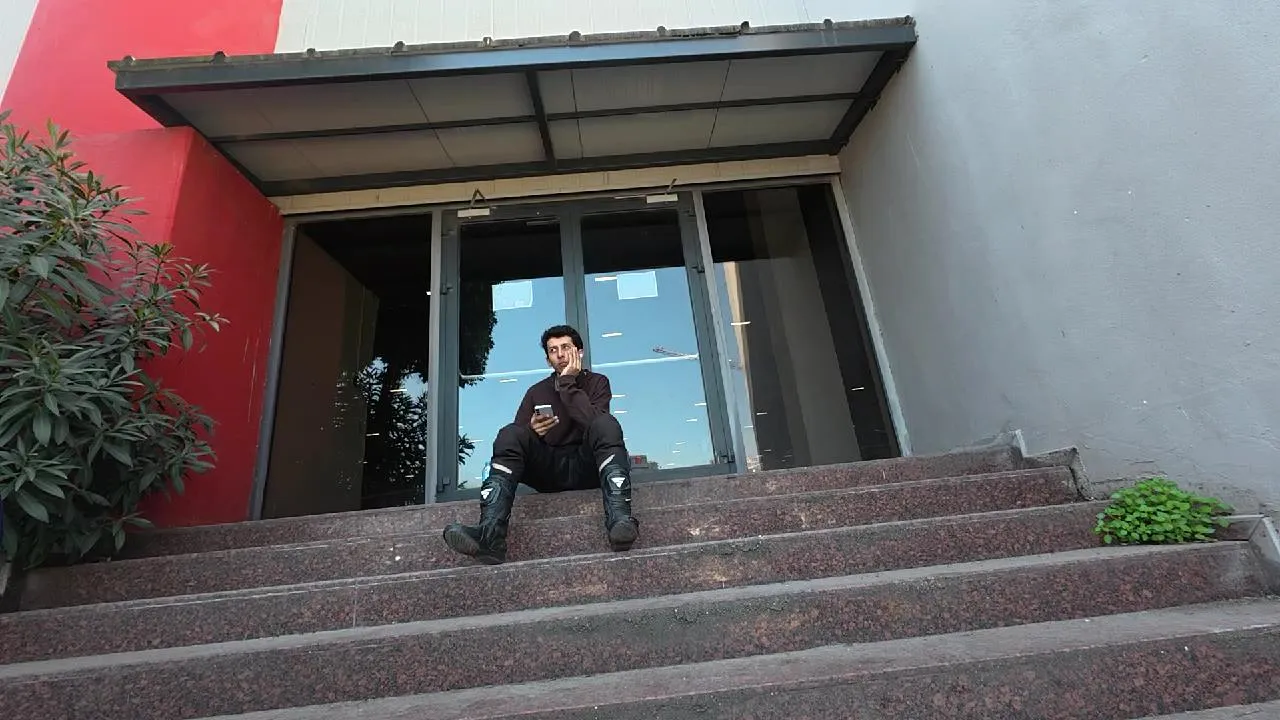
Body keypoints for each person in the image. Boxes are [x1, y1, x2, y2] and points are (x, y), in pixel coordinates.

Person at [442, 324, 640, 564]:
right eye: (553, 350)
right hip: (549, 471)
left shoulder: (597, 382)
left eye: (566, 347)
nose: (560, 354)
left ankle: (620, 522)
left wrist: (567, 383)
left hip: (588, 467)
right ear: (548, 360)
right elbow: (515, 444)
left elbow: (594, 424)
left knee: (606, 424)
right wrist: (532, 431)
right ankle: (490, 536)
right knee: (509, 434)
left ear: (579, 352)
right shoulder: (536, 392)